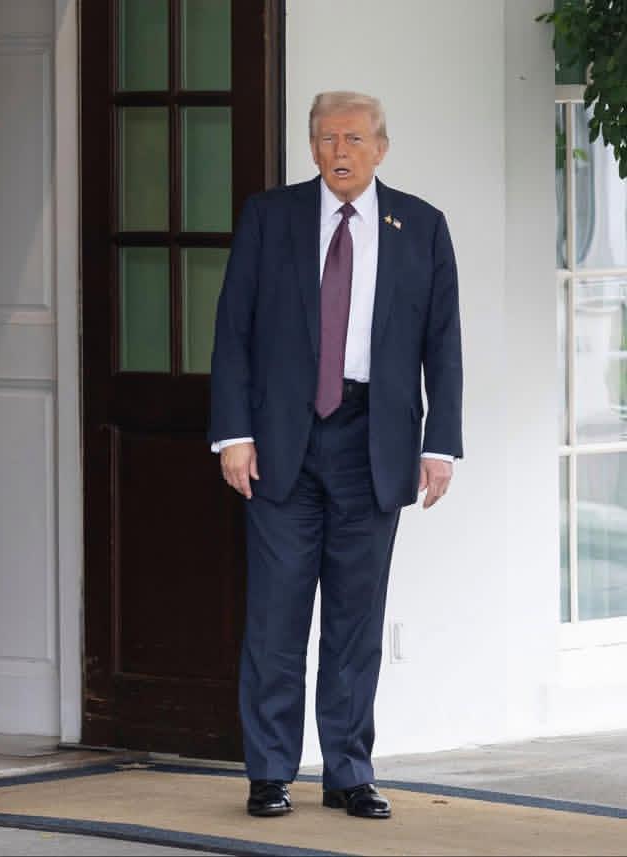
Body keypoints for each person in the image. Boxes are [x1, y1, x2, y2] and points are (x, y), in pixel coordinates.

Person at [207, 91, 463, 820]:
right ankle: (269, 772)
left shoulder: (421, 226)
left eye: (353, 138)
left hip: (373, 441)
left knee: (356, 620)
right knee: (276, 616)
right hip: (281, 442)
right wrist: (233, 433)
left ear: (381, 147)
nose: (338, 151)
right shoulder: (270, 217)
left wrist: (439, 445)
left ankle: (349, 771)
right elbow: (233, 329)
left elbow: (443, 341)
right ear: (312, 147)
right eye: (325, 138)